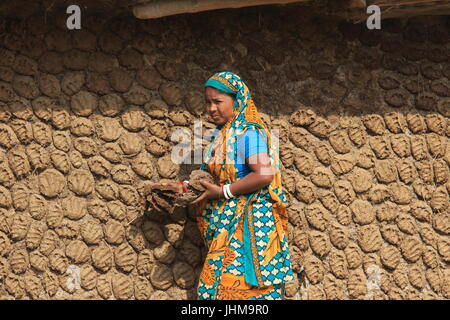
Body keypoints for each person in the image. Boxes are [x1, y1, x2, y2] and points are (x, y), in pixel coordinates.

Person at [151, 71, 294, 300]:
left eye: (218, 102)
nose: (211, 109)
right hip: (228, 229)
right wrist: (182, 188)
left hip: (247, 231)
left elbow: (264, 174)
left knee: (240, 292)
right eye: (208, 102)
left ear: (237, 102)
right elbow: (211, 179)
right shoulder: (223, 135)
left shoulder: (248, 133)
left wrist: (223, 192)